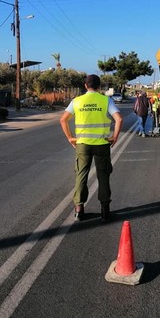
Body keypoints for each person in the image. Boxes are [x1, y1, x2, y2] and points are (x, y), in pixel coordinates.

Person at [59, 74, 123, 222]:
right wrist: (115, 137)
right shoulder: (105, 100)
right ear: (99, 86)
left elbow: (63, 120)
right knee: (103, 176)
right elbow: (119, 119)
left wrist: (70, 138)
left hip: (83, 145)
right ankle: (105, 210)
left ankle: (79, 210)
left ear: (85, 85)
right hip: (102, 144)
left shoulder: (77, 101)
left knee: (81, 175)